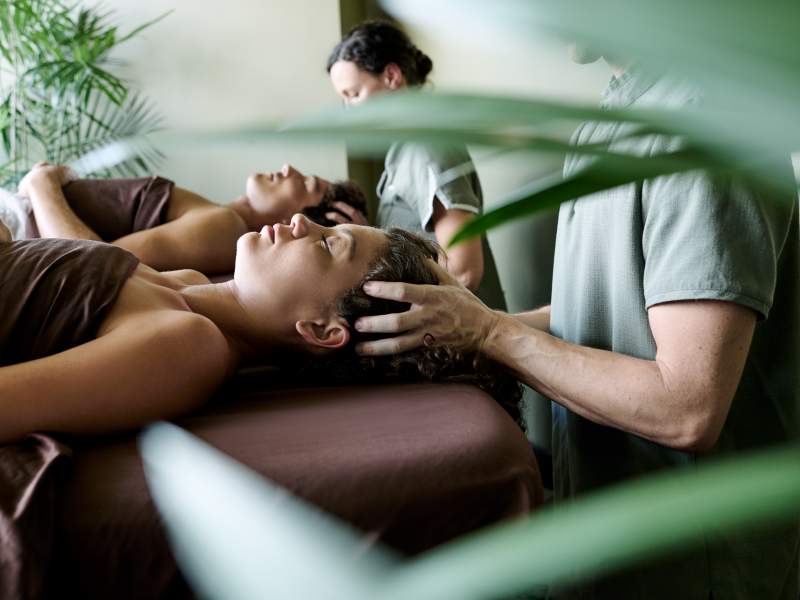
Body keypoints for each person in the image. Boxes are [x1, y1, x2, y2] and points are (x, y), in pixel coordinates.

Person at [349, 59, 799, 598]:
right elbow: (591, 312)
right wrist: (459, 329)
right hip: (608, 518)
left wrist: (492, 333)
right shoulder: (610, 117)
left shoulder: (703, 124)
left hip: (691, 552)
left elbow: (688, 408)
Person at [0, 164, 521, 445]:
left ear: (321, 329)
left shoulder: (189, 346)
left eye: (325, 242)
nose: (302, 220)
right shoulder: (183, 286)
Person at [326, 20, 506, 310]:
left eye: (354, 94)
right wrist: (374, 237)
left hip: (464, 339)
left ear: (392, 76)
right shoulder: (408, 146)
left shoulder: (426, 147)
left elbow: (464, 271)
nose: (350, 110)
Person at [2, 162, 366, 273]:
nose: (289, 168)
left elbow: (89, 263)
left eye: (306, 183)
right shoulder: (219, 216)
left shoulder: (224, 227)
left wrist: (42, 184)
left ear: (299, 219)